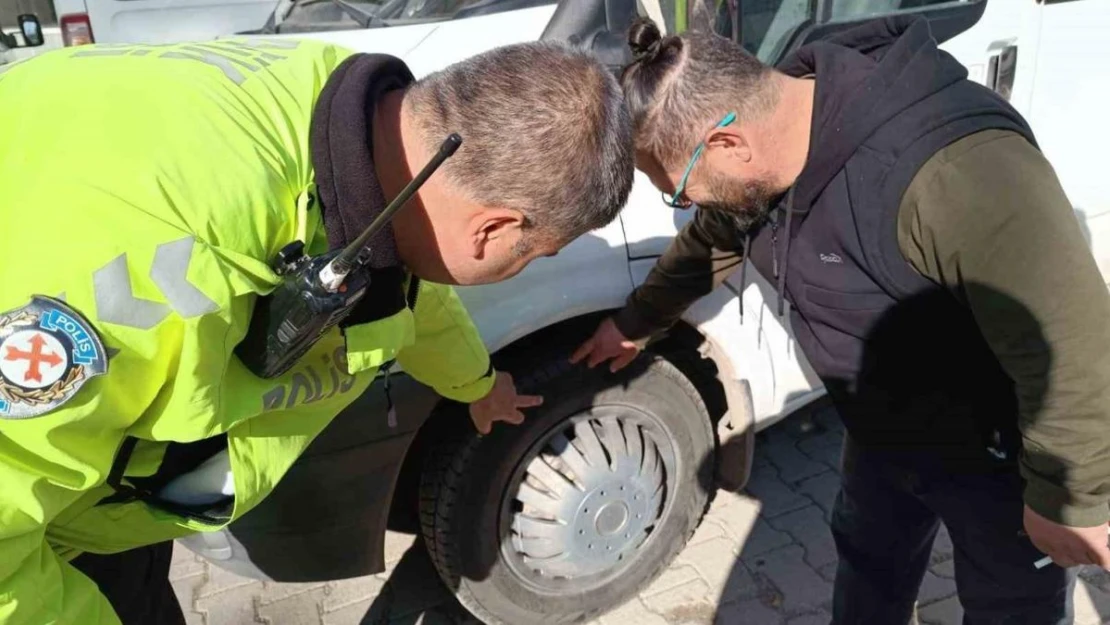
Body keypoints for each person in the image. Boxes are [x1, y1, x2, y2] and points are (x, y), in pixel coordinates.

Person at [0, 37, 632, 624]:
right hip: (36, 552)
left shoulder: (365, 130)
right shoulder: (171, 261)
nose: (520, 271)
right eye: (534, 254)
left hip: (99, 511)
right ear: (493, 229)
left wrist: (478, 385)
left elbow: (404, 287)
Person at [573, 15, 1110, 625]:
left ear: (728, 144)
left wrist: (1070, 499)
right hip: (881, 428)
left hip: (992, 455)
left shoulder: (957, 173)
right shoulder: (771, 148)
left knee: (1011, 608)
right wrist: (638, 321)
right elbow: (713, 238)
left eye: (679, 189)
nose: (686, 204)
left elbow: (1071, 342)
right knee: (868, 563)